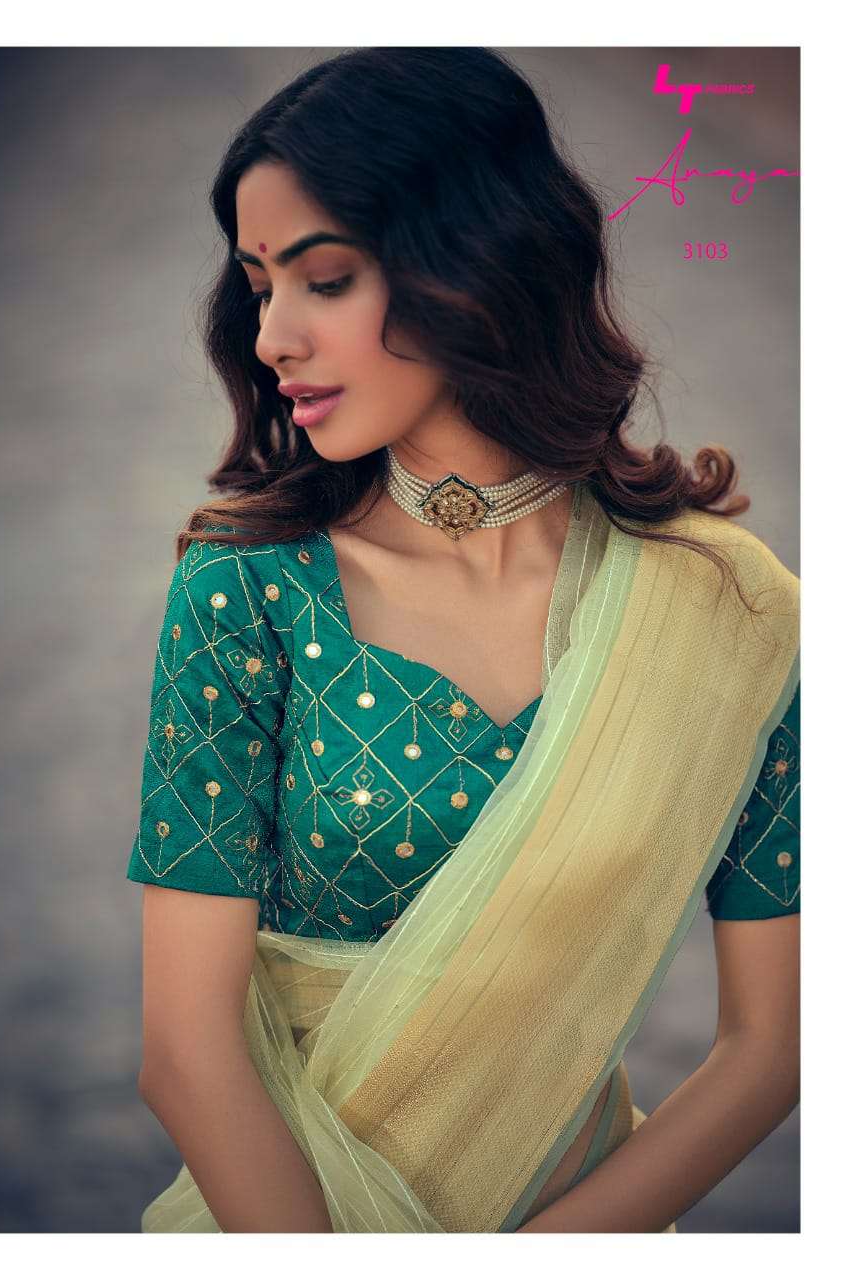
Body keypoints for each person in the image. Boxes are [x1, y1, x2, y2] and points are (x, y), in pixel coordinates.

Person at [126, 47, 799, 1233]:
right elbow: (186, 1052)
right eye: (259, 285)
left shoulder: (723, 610)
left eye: (324, 279)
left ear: (473, 265)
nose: (272, 335)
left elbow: (772, 1045)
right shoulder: (250, 589)